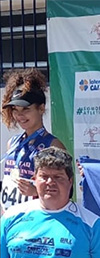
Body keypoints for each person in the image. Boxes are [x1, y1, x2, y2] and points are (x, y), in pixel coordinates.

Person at [1, 68, 66, 215]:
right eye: (15, 110)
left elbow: (65, 190)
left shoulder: (53, 146)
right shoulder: (12, 143)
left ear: (41, 108)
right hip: (9, 220)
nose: (19, 115)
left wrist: (36, 191)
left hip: (37, 221)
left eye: (25, 109)